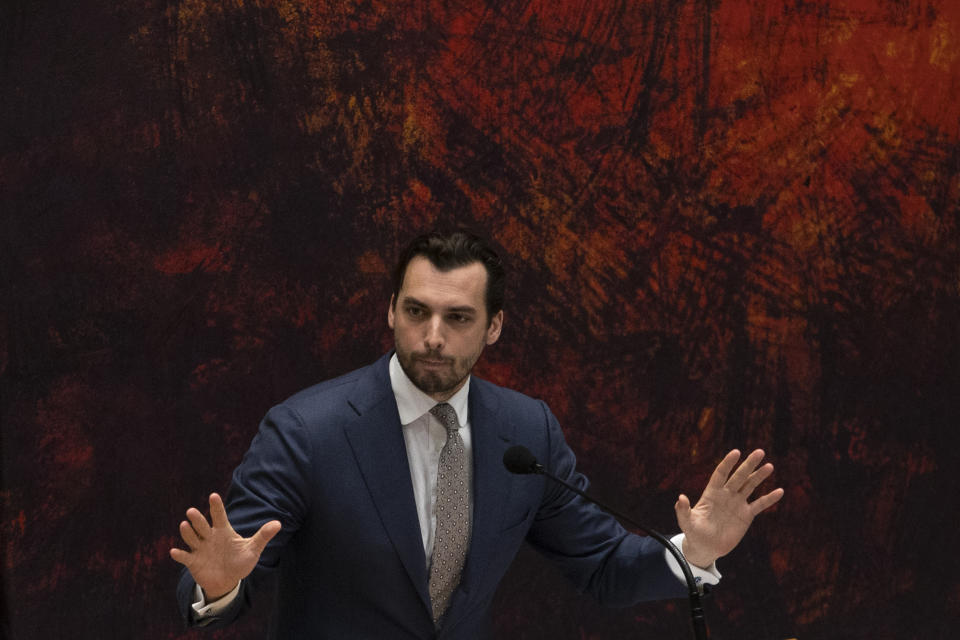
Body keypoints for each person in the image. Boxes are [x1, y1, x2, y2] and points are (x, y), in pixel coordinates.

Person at [171, 231, 784, 639]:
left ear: (493, 327)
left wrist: (695, 550)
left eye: (458, 317)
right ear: (390, 311)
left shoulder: (526, 432)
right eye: (416, 311)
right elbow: (225, 575)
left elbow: (604, 566)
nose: (432, 335)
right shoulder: (308, 431)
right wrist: (219, 585)